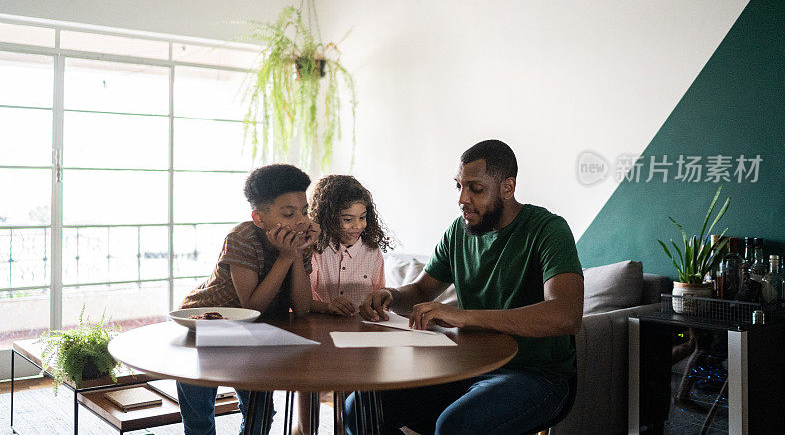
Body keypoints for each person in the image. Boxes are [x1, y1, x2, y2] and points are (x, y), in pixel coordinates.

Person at [351, 139, 584, 435]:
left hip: (537, 375)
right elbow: (422, 291)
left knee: (456, 426)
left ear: (507, 188)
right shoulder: (458, 231)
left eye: (475, 189)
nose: (462, 198)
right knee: (360, 408)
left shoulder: (548, 230)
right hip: (468, 367)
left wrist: (466, 316)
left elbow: (566, 315)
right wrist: (391, 295)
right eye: (458, 186)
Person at [176, 164, 319, 435]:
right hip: (205, 324)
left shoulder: (298, 242)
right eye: (288, 213)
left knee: (261, 412)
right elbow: (250, 307)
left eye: (304, 211)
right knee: (199, 415)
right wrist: (286, 257)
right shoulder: (242, 238)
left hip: (250, 333)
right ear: (259, 218)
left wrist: (297, 254)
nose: (301, 220)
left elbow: (301, 308)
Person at [294, 175, 392, 435]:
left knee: (348, 414)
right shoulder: (314, 249)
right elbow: (300, 301)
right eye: (348, 219)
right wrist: (326, 306)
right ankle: (305, 429)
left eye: (362, 217)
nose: (356, 225)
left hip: (356, 343)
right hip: (314, 339)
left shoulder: (372, 253)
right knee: (308, 411)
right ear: (328, 217)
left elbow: (379, 295)